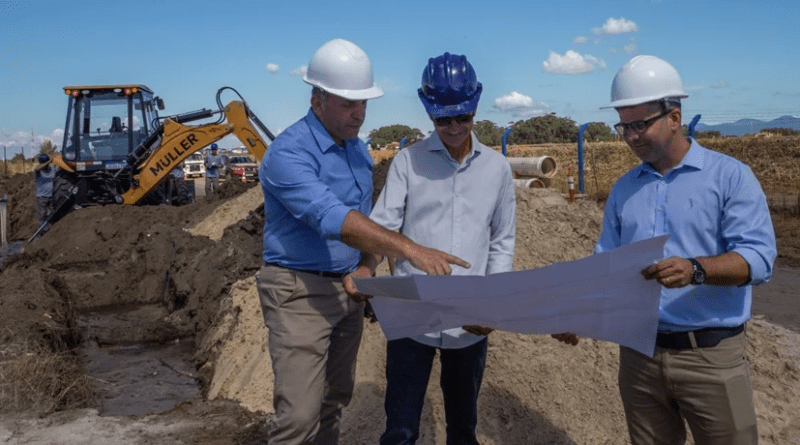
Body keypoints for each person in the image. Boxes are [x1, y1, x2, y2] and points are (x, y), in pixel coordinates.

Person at [256, 39, 469, 445]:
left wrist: (367, 265)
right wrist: (408, 248)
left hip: (348, 291)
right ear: (317, 100)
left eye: (364, 103)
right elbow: (336, 219)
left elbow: (366, 222)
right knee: (299, 417)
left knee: (334, 401)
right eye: (347, 103)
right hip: (299, 292)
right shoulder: (288, 154)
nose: (359, 113)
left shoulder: (357, 150)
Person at [595, 55, 777, 445]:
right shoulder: (625, 189)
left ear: (674, 117)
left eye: (640, 125)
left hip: (711, 359)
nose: (630, 137)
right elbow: (605, 265)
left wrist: (695, 269)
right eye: (623, 126)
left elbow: (759, 259)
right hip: (639, 356)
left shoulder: (730, 177)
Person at [368, 52, 515, 445]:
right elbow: (382, 230)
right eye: (442, 120)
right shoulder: (407, 163)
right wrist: (367, 271)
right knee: (400, 431)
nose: (453, 128)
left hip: (470, 322)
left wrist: (492, 299)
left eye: (462, 118)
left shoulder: (497, 170)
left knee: (463, 431)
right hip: (411, 317)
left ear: (476, 107)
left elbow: (502, 240)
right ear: (428, 112)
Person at [33, 153, 57, 226]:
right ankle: (42, 232)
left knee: (52, 213)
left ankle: (51, 229)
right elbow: (37, 168)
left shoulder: (52, 169)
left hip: (51, 196)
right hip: (41, 196)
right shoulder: (39, 171)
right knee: (42, 214)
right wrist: (49, 161)